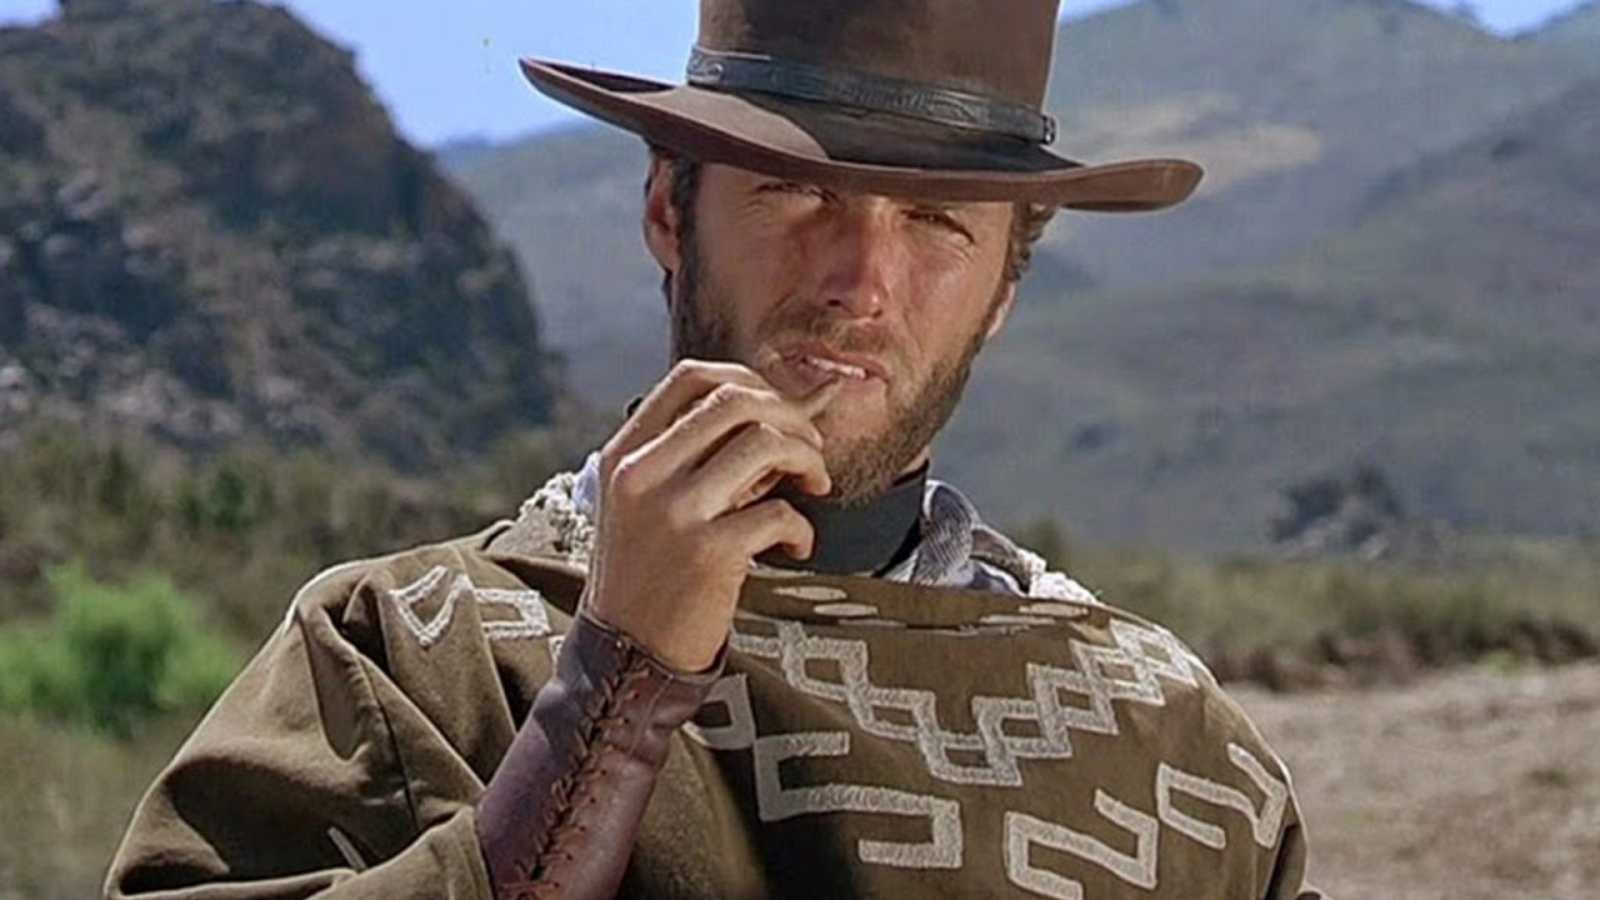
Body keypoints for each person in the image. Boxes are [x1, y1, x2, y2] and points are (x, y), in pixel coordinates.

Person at [107, 1, 1325, 897]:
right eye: (798, 192)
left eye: (936, 222)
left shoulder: (1170, 742)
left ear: (1003, 288)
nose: (860, 284)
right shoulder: (405, 658)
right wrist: (612, 689)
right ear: (667, 212)